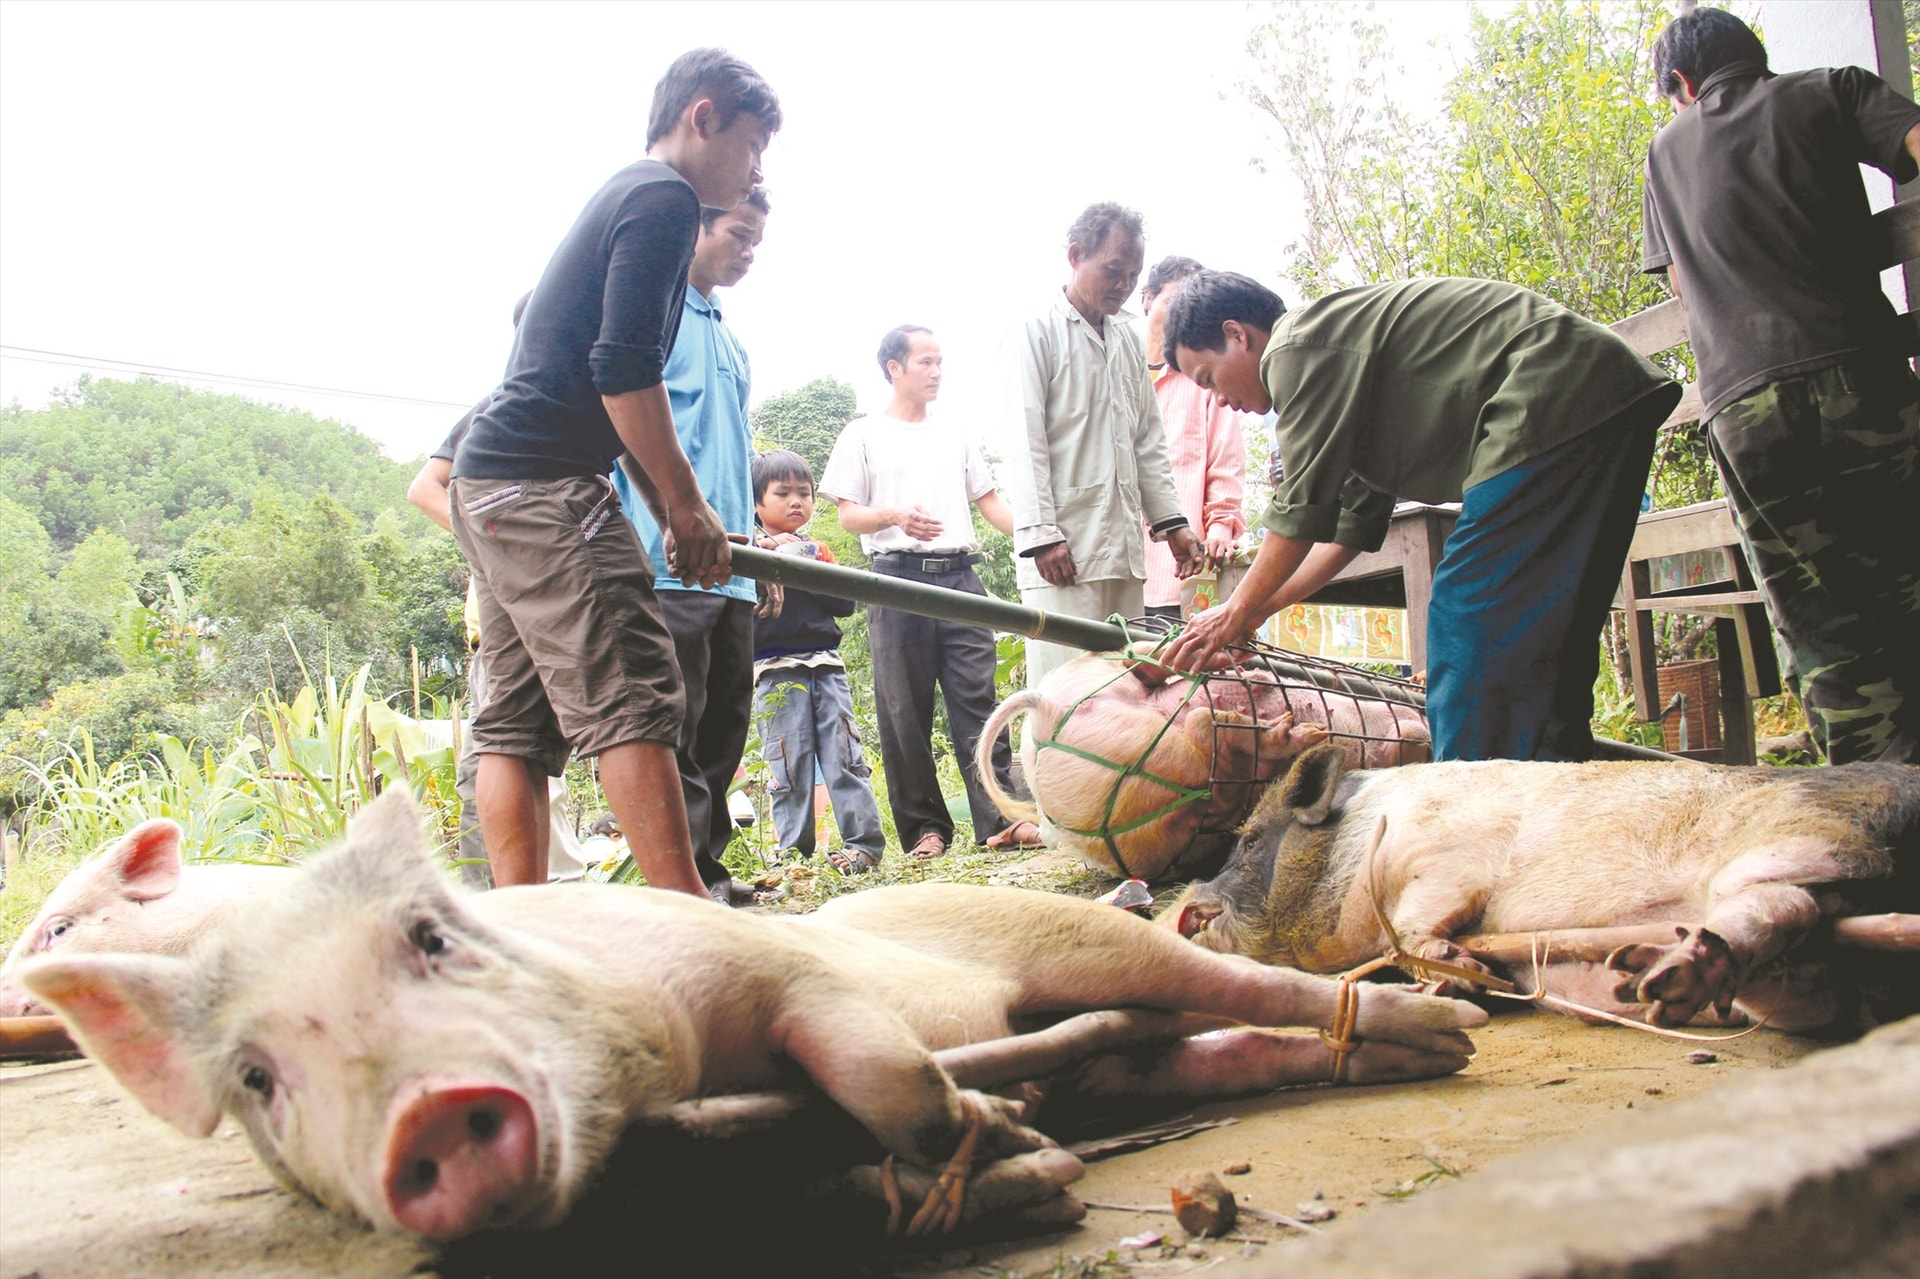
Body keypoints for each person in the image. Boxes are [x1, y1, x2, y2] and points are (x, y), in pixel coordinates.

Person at [447, 49, 780, 891]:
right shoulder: (663, 197)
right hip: (547, 487)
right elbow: (623, 369)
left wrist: (668, 507)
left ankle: (521, 925)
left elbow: (610, 382)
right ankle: (686, 917)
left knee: (515, 724)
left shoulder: (629, 194)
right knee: (633, 689)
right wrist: (686, 501)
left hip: (489, 485)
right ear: (702, 118)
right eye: (751, 147)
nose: (753, 173)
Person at [1158, 271, 1681, 763]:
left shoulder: (1295, 347)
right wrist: (1256, 612)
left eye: (1209, 378)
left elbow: (1298, 515)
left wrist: (1232, 610)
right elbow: (1346, 533)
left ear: (1237, 334)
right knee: (1543, 637)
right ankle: (1551, 796)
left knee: (1467, 621)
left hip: (1549, 399)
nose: (1220, 400)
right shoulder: (1339, 380)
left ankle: (1468, 811)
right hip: (1603, 398)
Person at [1641, 6, 1920, 764]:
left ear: (1683, 83)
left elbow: (1682, 285)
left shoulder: (1663, 157)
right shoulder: (1829, 89)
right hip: (1855, 371)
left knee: (1820, 622)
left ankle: (1878, 809)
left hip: (1745, 415)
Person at [609, 187, 772, 906]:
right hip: (666, 557)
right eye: (737, 234)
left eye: (756, 241)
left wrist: (761, 549)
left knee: (723, 723)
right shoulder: (653, 315)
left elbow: (737, 450)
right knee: (671, 723)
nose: (747, 252)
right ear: (696, 229)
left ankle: (709, 872)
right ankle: (677, 889)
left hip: (734, 563)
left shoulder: (729, 335)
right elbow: (622, 424)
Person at [819, 325, 1038, 861]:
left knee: (979, 702)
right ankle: (925, 830)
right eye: (925, 362)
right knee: (903, 710)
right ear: (894, 368)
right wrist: (892, 515)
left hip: (962, 577)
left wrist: (1041, 537)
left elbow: (991, 505)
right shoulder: (862, 433)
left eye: (940, 362)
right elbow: (848, 515)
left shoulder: (954, 432)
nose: (937, 372)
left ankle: (1002, 819)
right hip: (893, 578)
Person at [748, 449, 887, 873]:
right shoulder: (748, 550)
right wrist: (773, 559)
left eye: (805, 494)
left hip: (826, 665)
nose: (797, 502)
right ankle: (793, 852)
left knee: (844, 754)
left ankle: (863, 846)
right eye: (783, 493)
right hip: (774, 671)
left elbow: (843, 603)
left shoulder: (818, 549)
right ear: (757, 503)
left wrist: (806, 561)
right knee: (787, 764)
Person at [1137, 255, 1245, 623]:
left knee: (1188, 677)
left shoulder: (1205, 377)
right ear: (1146, 299)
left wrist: (1219, 530)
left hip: (1182, 573)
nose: (1182, 315)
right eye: (1173, 302)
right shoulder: (1117, 372)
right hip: (1118, 573)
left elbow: (1225, 464)